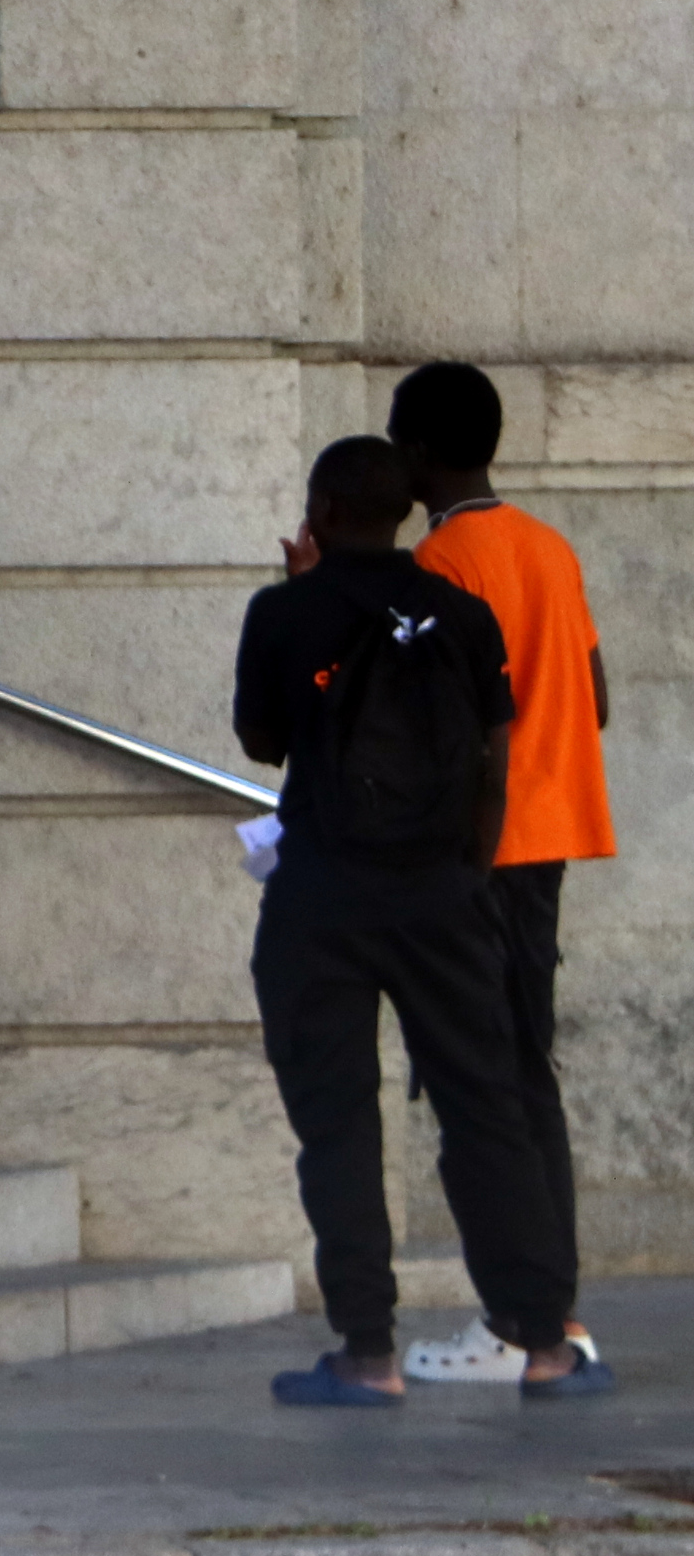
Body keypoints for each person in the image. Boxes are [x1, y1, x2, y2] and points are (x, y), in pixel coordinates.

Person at [237, 437, 605, 1404]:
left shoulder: (284, 612)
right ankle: (546, 1344)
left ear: (317, 506)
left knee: (340, 1125)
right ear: (404, 511)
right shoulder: (465, 614)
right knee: (487, 1113)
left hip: (322, 901)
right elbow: (497, 757)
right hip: (445, 900)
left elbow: (263, 737)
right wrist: (469, 874)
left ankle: (369, 1354)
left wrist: (305, 609)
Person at [388, 363, 616, 1384]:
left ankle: (524, 1324)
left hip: (475, 852)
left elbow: (438, 720)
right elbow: (593, 695)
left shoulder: (442, 558)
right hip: (551, 838)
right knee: (525, 1076)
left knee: (485, 1085)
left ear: (420, 453)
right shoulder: (549, 549)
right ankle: (549, 1316)